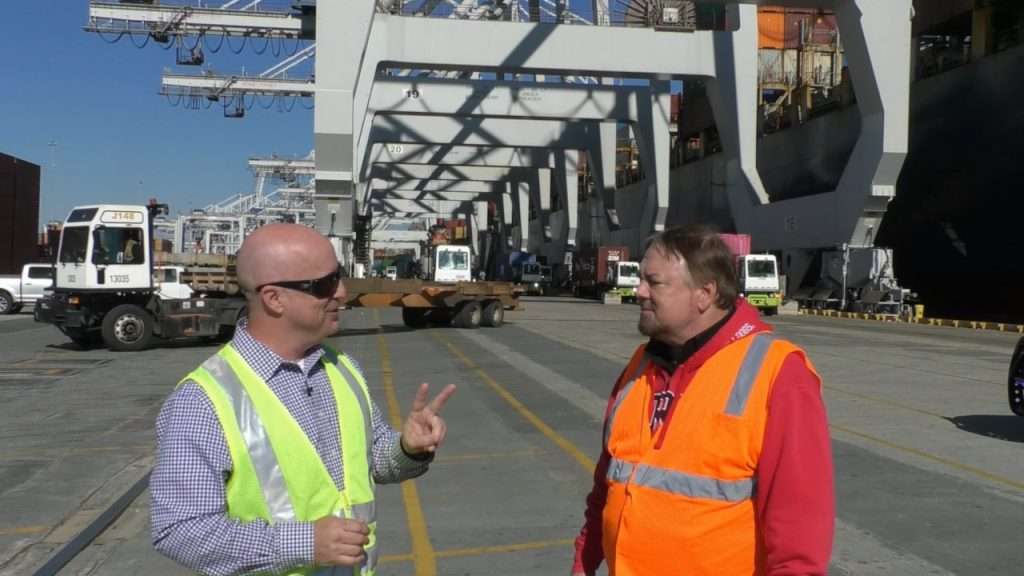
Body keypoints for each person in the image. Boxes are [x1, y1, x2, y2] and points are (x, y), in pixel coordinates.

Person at [151, 223, 456, 575]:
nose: (341, 292)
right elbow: (179, 529)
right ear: (274, 299)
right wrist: (304, 544)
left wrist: (406, 448)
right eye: (324, 285)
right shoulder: (203, 402)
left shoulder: (342, 368)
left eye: (338, 277)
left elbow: (373, 463)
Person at [571, 225, 834, 576]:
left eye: (655, 282)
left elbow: (799, 539)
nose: (639, 291)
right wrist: (582, 565)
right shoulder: (641, 365)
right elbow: (605, 490)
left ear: (704, 293)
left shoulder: (778, 374)